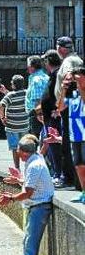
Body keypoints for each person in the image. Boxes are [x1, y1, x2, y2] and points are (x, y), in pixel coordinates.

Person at [0, 134, 54, 255]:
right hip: (34, 206)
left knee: (31, 245)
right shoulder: (34, 159)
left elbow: (28, 193)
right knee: (27, 242)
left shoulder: (34, 165)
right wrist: (18, 180)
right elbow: (30, 183)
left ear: (23, 152)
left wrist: (10, 197)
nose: (17, 152)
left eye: (18, 150)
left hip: (39, 207)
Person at [54, 37, 83, 189]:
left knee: (67, 143)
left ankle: (68, 178)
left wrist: (62, 102)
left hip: (70, 107)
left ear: (61, 48)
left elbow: (69, 78)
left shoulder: (68, 62)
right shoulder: (76, 59)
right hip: (74, 106)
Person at [59, 66, 85, 202]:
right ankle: (83, 191)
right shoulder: (72, 94)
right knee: (79, 164)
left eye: (75, 78)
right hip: (74, 135)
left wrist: (80, 86)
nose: (72, 81)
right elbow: (60, 107)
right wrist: (64, 89)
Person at [40, 50, 64, 184]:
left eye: (45, 60)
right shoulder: (53, 75)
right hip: (49, 116)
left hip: (54, 116)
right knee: (51, 144)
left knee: (55, 145)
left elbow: (60, 93)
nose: (44, 63)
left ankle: (58, 174)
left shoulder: (57, 75)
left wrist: (57, 109)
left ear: (49, 61)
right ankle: (56, 172)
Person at [0, 75, 28, 169]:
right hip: (24, 125)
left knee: (14, 147)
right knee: (26, 146)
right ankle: (27, 166)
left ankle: (17, 168)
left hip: (12, 126)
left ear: (14, 85)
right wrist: (5, 91)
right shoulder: (27, 93)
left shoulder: (10, 96)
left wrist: (2, 118)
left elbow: (0, 107)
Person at [25, 55, 49, 137]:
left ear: (32, 67)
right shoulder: (46, 77)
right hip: (43, 112)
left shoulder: (36, 79)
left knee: (35, 140)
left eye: (28, 65)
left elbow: (38, 99)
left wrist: (38, 115)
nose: (27, 67)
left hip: (36, 114)